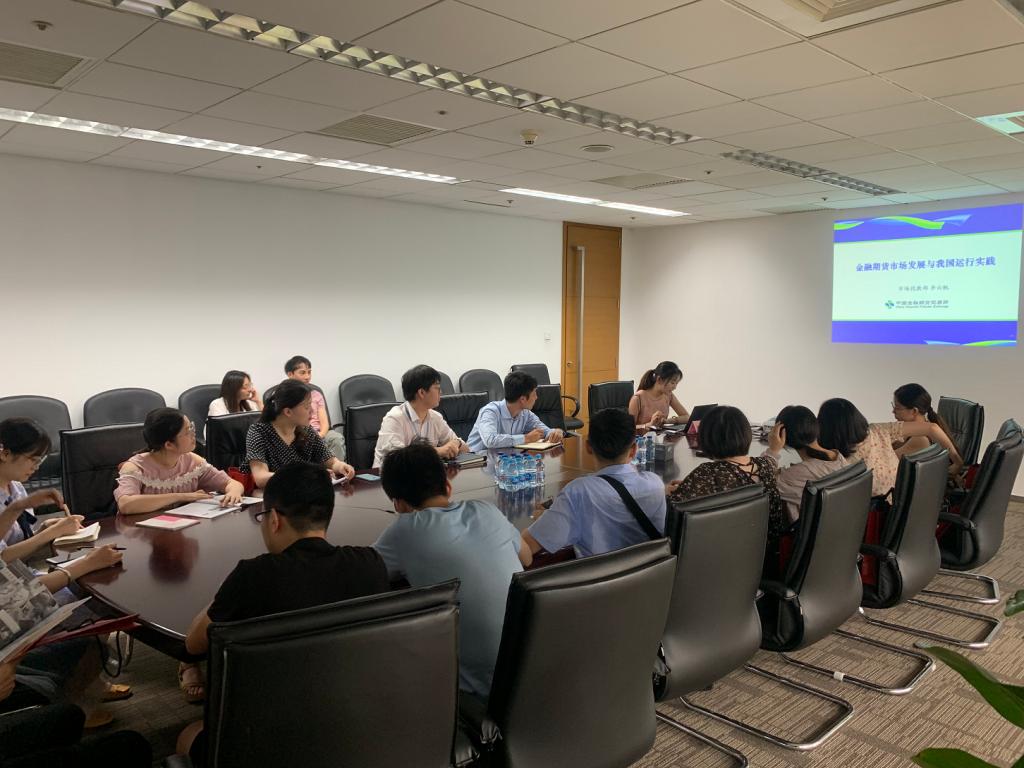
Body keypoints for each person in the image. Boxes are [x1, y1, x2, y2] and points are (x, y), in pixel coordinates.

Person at [178, 462, 389, 763]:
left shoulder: (253, 576)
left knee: (188, 735)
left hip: (270, 741)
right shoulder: (369, 563)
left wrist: (224, 591)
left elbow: (194, 643)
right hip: (357, 725)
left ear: (274, 519)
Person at [374, 444, 530, 699]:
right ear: (447, 486)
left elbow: (364, 571)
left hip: (479, 697)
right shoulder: (487, 510)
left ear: (399, 505)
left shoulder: (404, 531)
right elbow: (527, 556)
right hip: (534, 673)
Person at [523, 408, 667, 558]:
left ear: (588, 447)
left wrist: (546, 519)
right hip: (653, 571)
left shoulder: (578, 492)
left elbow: (527, 545)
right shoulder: (655, 483)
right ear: (634, 450)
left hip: (602, 573)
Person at [669, 405, 785, 536]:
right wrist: (696, 485)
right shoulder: (766, 466)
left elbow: (672, 516)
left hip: (715, 547)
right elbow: (770, 460)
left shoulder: (706, 473)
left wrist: (663, 492)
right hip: (764, 546)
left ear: (707, 439)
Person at [817, 398, 962, 498]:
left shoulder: (837, 461)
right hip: (896, 507)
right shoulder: (878, 430)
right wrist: (957, 461)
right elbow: (932, 428)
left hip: (874, 520)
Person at [115, 408, 244, 516]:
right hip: (140, 532)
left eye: (191, 427)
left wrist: (233, 492)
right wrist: (182, 496)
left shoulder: (192, 461)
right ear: (169, 444)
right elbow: (126, 504)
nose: (193, 434)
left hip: (178, 527)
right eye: (188, 431)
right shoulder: (135, 467)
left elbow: (231, 483)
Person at [244, 379, 355, 489]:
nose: (312, 411)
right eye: (307, 407)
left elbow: (330, 461)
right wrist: (306, 475)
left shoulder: (306, 430)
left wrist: (341, 466)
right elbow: (261, 478)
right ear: (288, 412)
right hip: (269, 495)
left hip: (301, 493)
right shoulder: (258, 432)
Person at [0, 418, 83, 564]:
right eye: (33, 459)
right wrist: (52, 533)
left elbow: (17, 548)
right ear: (5, 454)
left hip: (21, 572)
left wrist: (43, 530)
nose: (36, 467)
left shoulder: (16, 487)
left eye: (40, 460)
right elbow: (3, 560)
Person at [763, 405, 848, 526]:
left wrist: (773, 450)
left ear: (783, 436)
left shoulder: (797, 474)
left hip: (805, 534)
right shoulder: (838, 457)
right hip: (838, 528)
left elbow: (761, 481)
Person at [373, 365, 468, 469]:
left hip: (422, 474)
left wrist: (457, 442)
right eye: (437, 388)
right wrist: (438, 451)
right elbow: (396, 458)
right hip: (389, 476)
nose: (441, 392)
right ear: (422, 393)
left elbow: (466, 449)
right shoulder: (395, 418)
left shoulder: (435, 417)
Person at [466, 371, 564, 452]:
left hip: (504, 461)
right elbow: (490, 440)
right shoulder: (490, 412)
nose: (536, 397)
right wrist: (526, 438)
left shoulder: (526, 414)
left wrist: (556, 432)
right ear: (523, 399)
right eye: (534, 394)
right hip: (476, 463)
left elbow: (545, 431)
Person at [284, 355, 346, 459]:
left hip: (319, 433)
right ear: (290, 374)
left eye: (309, 372)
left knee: (336, 438)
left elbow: (324, 423)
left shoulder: (316, 394)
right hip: (297, 434)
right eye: (302, 372)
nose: (307, 376)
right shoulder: (283, 395)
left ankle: (337, 468)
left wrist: (319, 436)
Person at [890, 383, 955, 458]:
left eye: (897, 408)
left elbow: (884, 459)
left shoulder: (920, 439)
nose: (893, 411)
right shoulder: (920, 429)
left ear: (914, 411)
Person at [628, 361, 689, 431]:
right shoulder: (638, 398)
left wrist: (667, 421)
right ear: (659, 379)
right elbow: (629, 428)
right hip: (642, 437)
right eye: (672, 383)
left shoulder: (669, 396)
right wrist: (648, 425)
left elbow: (687, 417)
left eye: (676, 383)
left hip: (660, 437)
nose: (675, 387)